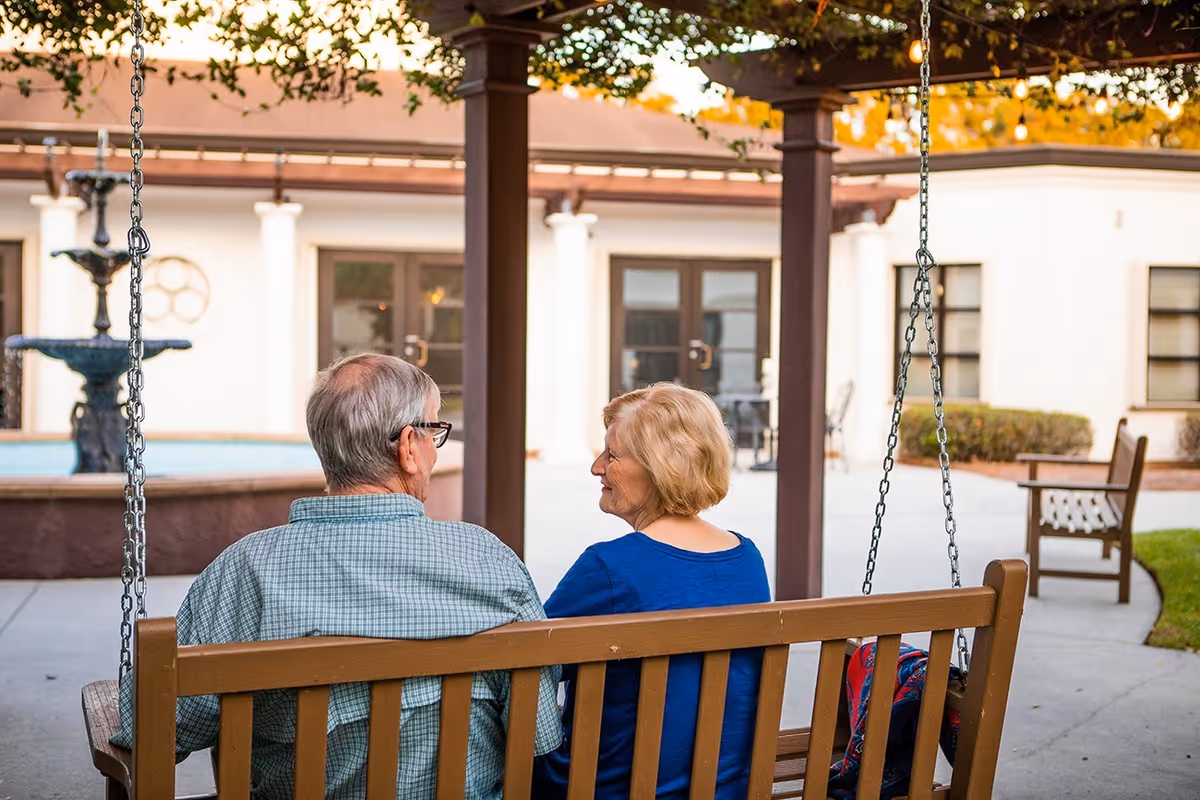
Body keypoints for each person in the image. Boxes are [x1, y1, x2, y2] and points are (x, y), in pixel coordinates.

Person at [113, 352, 561, 799]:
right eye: (433, 432)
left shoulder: (248, 569)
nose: (432, 449)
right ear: (407, 447)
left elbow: (154, 725)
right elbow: (536, 726)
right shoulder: (489, 559)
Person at [533, 383, 771, 799]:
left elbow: (527, 670)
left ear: (660, 465)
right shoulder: (747, 559)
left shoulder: (609, 567)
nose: (595, 467)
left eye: (612, 455)